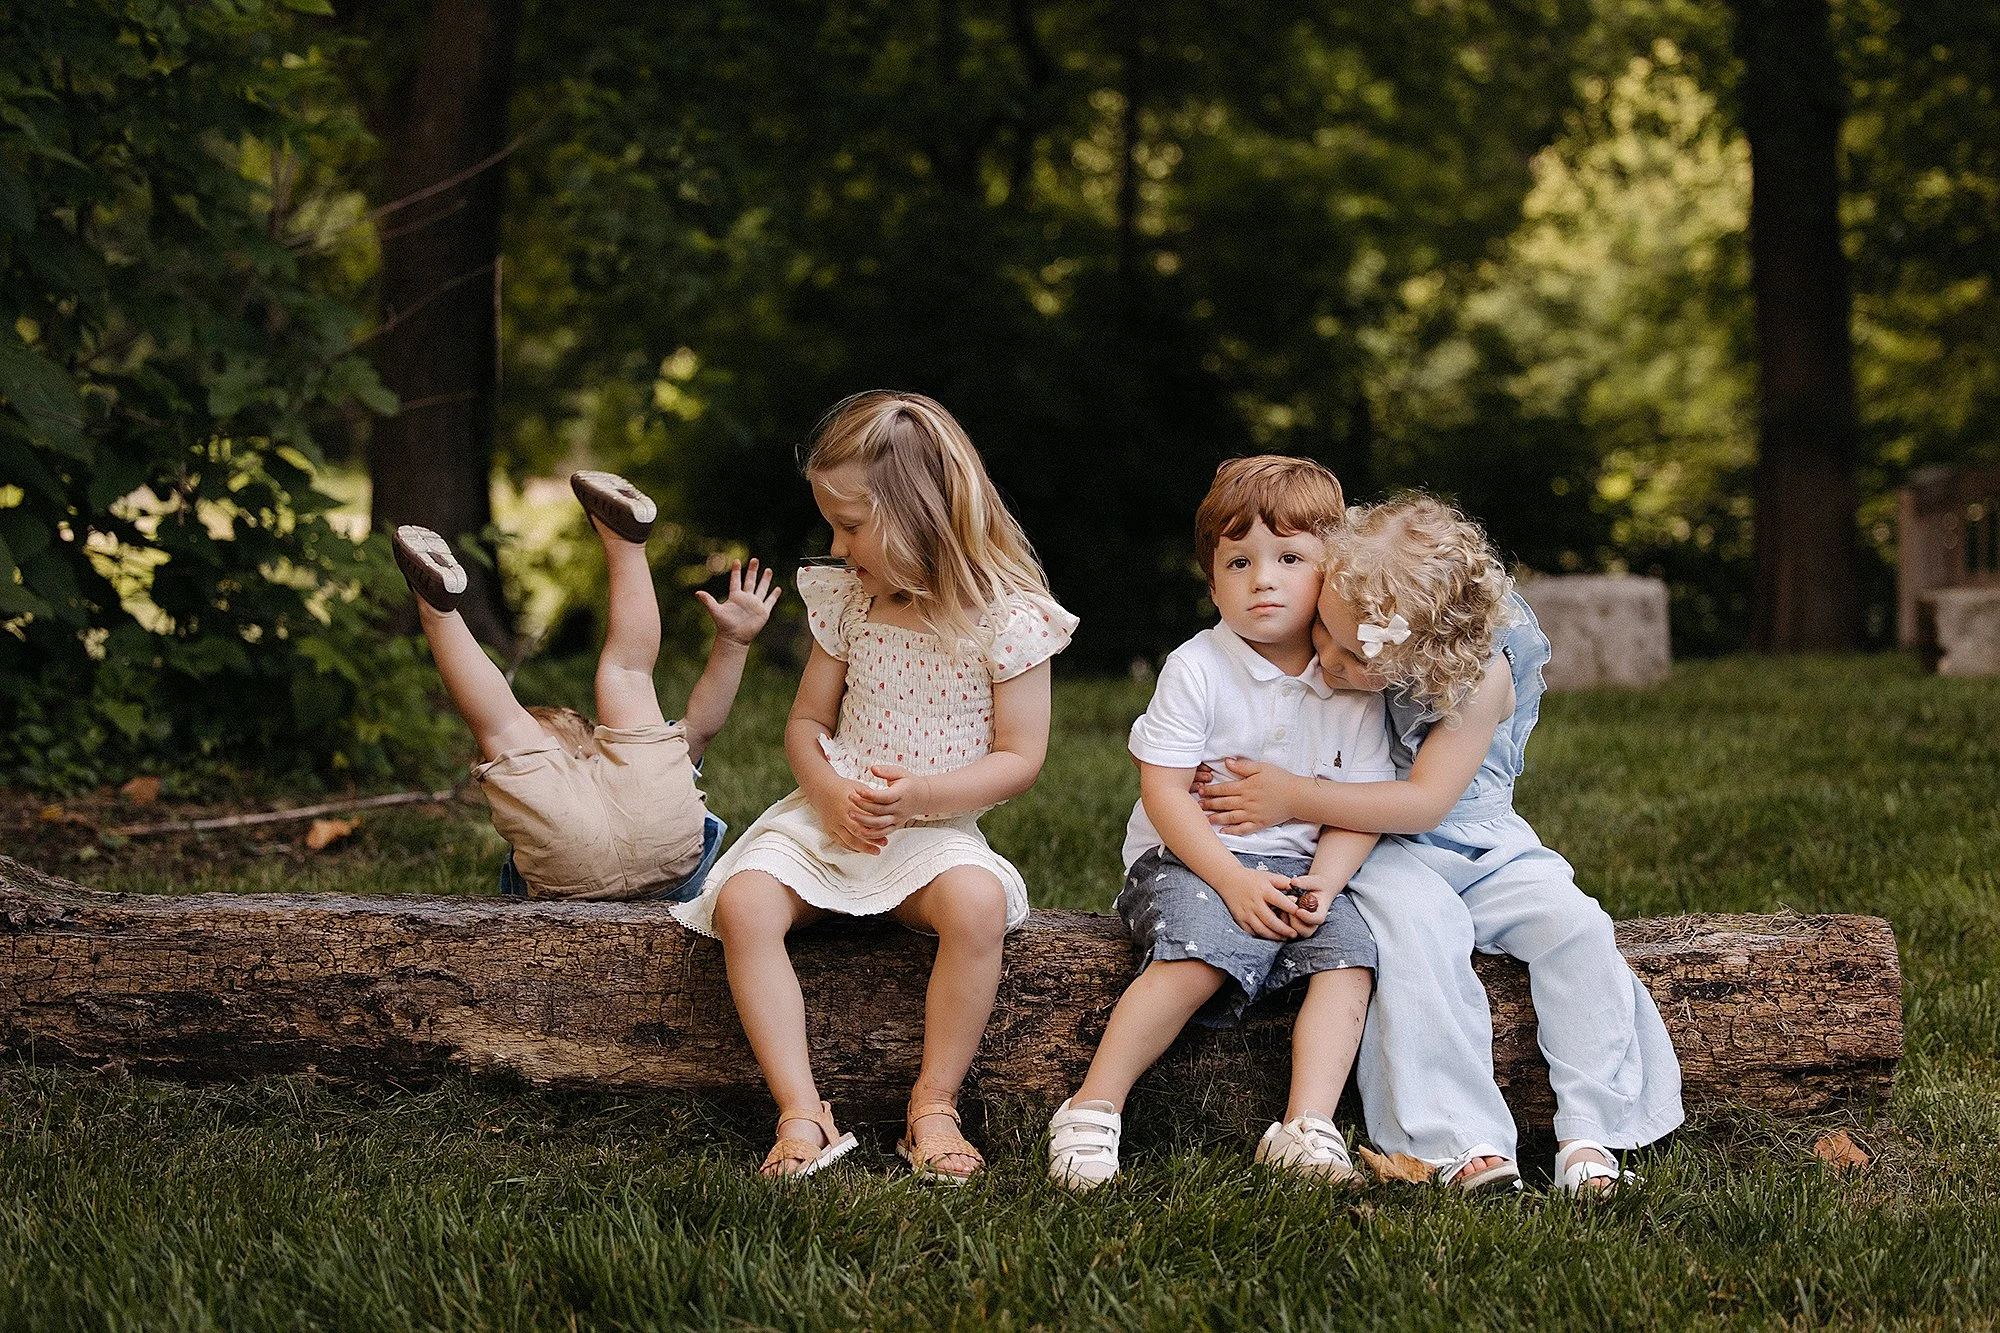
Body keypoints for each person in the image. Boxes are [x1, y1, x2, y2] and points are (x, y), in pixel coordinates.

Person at [1196, 495, 1684, 1194]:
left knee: (1575, 925)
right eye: (1322, 634)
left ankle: (1592, 1132)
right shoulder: (1350, 625)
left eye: (1345, 652)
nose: (1324, 658)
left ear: (1419, 655)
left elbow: (1424, 801)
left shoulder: (1482, 674)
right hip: (1378, 846)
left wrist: (1292, 793)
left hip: (1480, 839)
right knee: (1419, 931)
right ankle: (1461, 1138)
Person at [672, 391, 1076, 1183]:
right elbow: (804, 723)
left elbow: (1021, 756)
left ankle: (933, 1102)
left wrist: (923, 795)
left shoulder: (1009, 619)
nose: (836, 543)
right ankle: (801, 1112)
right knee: (745, 902)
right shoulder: (849, 598)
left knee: (976, 905)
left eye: (852, 526)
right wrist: (824, 792)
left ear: (922, 513)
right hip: (832, 818)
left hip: (929, 830)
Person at [1044, 457, 1395, 1191]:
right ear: (1212, 580)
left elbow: (1361, 806)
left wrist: (1324, 885)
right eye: (1239, 561)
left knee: (1351, 956)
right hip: (1188, 858)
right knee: (1204, 949)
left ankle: (1306, 1126)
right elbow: (1166, 793)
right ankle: (1093, 1104)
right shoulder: (1198, 666)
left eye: (1290, 558)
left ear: (1333, 573)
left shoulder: (1352, 680)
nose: (1262, 578)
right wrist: (1232, 880)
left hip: (1300, 865)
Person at [392, 470, 777, 902]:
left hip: (573, 858)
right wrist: (733, 643)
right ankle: (627, 544)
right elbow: (703, 724)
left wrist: (732, 643)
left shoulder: (544, 782)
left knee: (503, 724)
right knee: (628, 676)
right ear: (589, 742)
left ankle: (439, 613)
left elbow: (702, 728)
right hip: (666, 840)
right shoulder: (640, 760)